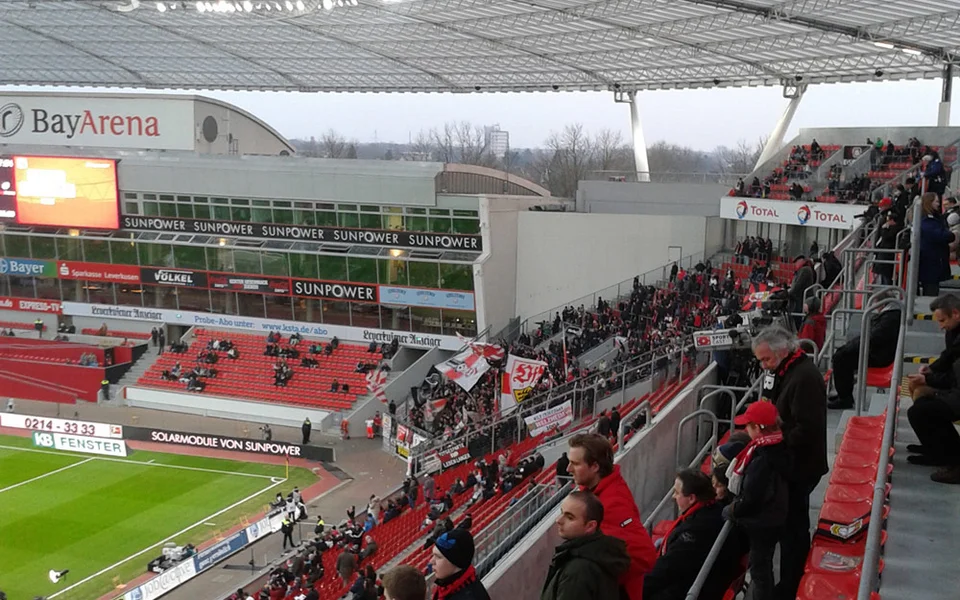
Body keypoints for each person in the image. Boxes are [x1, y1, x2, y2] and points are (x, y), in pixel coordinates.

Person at [751, 326, 827, 600]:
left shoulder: (804, 378)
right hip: (793, 463)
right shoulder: (786, 372)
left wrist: (773, 441)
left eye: (766, 360)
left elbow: (807, 429)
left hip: (801, 466)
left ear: (783, 351)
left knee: (794, 528)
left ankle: (793, 584)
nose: (763, 366)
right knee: (791, 526)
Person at [567, 433, 657, 600]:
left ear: (594, 466)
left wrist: (598, 578)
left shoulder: (612, 503)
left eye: (575, 463)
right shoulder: (595, 493)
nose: (568, 469)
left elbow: (645, 556)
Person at [723, 401, 789, 600]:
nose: (745, 430)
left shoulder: (762, 459)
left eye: (748, 425)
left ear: (758, 428)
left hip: (764, 523)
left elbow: (752, 499)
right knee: (762, 568)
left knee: (760, 571)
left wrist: (731, 510)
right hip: (774, 517)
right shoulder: (779, 446)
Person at [643, 470, 733, 600]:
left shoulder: (696, 531)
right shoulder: (714, 510)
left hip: (693, 590)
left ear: (691, 498)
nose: (673, 496)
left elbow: (668, 569)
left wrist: (636, 590)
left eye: (677, 492)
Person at [906, 293, 960, 484]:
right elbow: (948, 362)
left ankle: (955, 462)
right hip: (954, 388)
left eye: (943, 320)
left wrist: (929, 378)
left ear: (956, 314)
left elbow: (952, 375)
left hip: (956, 391)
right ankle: (937, 451)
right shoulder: (953, 332)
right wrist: (930, 373)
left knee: (920, 411)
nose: (941, 326)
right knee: (919, 398)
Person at [540, 490, 630, 600]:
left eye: (570, 517)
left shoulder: (577, 571)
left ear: (590, 526)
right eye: (562, 512)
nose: (559, 520)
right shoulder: (600, 553)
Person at [828, 295, 901, 409]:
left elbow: (872, 338)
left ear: (882, 304)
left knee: (840, 358)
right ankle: (844, 394)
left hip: (879, 356)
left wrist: (849, 347)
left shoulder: (890, 318)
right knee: (843, 355)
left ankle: (845, 398)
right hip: (878, 352)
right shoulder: (890, 315)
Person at [429, 529, 490, 600]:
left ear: (455, 561)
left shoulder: (467, 595)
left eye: (438, 557)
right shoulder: (450, 586)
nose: (431, 561)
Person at [919, 192, 954, 297]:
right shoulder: (927, 221)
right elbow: (941, 235)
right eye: (936, 201)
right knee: (931, 292)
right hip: (930, 264)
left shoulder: (934, 219)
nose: (939, 204)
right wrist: (952, 235)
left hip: (934, 263)